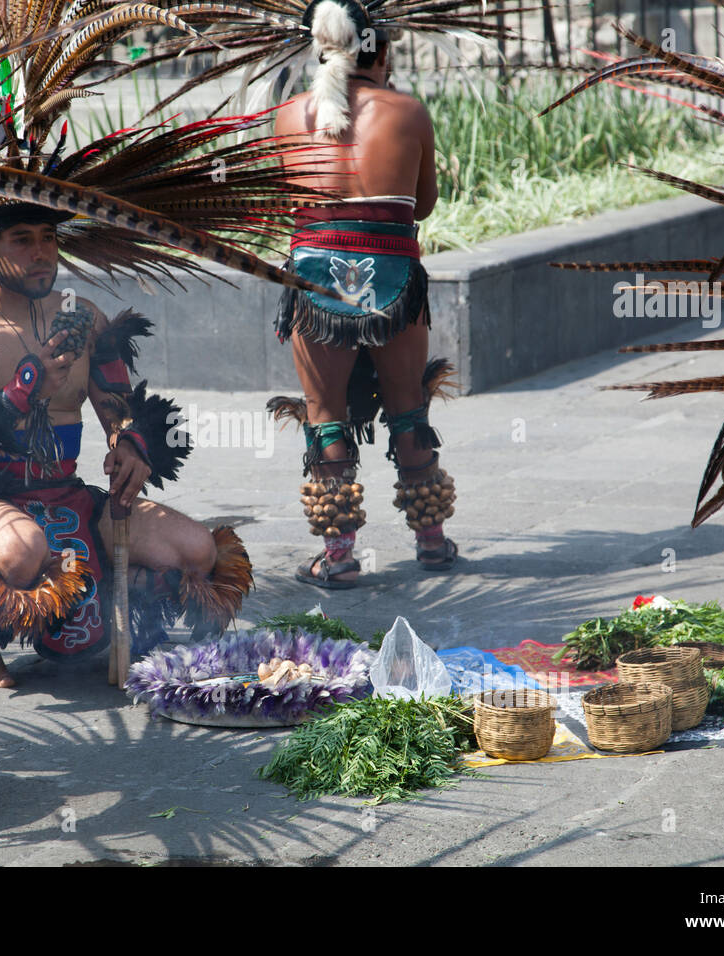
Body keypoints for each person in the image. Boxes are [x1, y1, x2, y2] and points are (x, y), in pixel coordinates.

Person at [0, 206, 253, 689]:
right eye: (21, 239)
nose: (41, 252)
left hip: (64, 491)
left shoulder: (82, 318)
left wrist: (129, 444)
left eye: (48, 237)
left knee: (194, 550)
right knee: (24, 552)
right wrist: (25, 389)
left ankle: (124, 614)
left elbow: (122, 409)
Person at [269, 0, 458, 587]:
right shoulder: (408, 112)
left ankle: (340, 556)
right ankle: (431, 540)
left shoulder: (286, 116)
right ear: (380, 51)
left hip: (315, 276)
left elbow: (284, 205)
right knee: (407, 406)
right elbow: (422, 206)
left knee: (325, 418)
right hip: (393, 278)